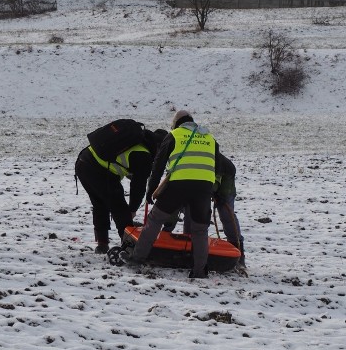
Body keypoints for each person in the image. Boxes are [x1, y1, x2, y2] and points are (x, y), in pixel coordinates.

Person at [124, 110, 218, 279]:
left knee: (155, 219)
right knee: (200, 230)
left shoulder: (174, 135)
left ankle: (137, 259)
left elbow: (158, 166)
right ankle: (199, 271)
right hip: (204, 187)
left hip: (179, 184)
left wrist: (151, 191)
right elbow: (215, 166)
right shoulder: (210, 138)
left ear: (177, 123)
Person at [75, 122, 159, 254]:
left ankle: (102, 243)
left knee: (100, 203)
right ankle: (130, 247)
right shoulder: (144, 155)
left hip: (83, 161)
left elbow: (128, 167)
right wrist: (132, 209)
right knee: (119, 207)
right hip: (97, 170)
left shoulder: (135, 140)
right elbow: (138, 187)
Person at [164, 151, 246, 272]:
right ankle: (188, 245)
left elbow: (211, 184)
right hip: (197, 179)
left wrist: (216, 194)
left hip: (224, 175)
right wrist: (167, 228)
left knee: (225, 212)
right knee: (187, 205)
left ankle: (238, 250)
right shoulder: (179, 160)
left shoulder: (211, 161)